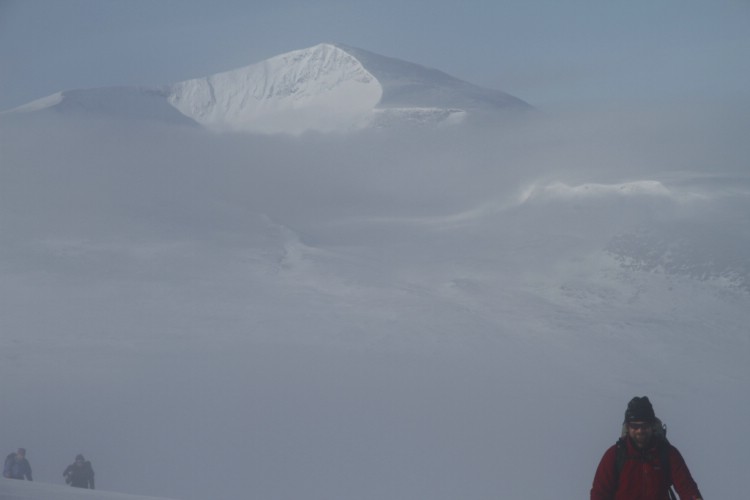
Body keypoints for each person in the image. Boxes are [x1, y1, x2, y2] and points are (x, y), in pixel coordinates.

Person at [590, 396, 703, 500]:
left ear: (652, 426)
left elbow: (688, 489)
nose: (640, 430)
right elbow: (599, 493)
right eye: (635, 426)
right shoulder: (615, 455)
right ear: (628, 427)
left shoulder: (667, 454)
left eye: (645, 425)